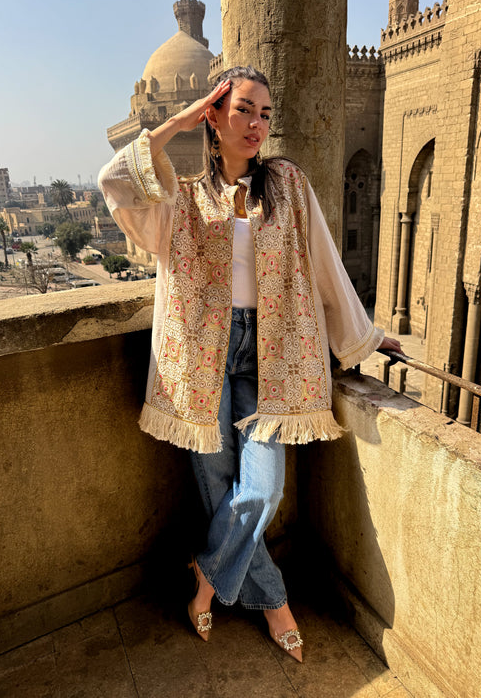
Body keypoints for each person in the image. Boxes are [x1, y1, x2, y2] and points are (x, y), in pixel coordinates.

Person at [98, 65, 401, 663]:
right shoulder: (183, 198)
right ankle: (274, 605)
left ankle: (206, 576)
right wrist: (177, 122)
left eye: (264, 113)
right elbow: (115, 182)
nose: (257, 124)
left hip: (273, 354)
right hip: (202, 356)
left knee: (263, 487)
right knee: (218, 487)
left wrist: (364, 337)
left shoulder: (287, 185)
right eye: (242, 109)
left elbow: (324, 263)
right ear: (213, 116)